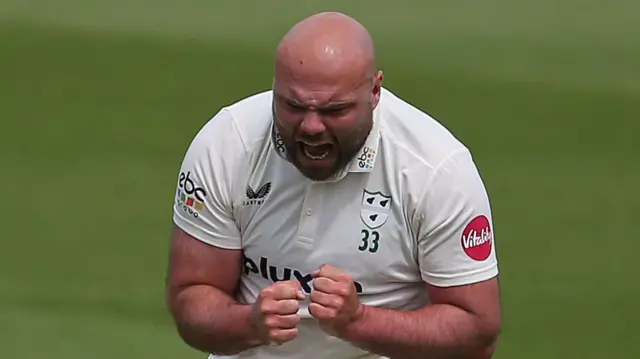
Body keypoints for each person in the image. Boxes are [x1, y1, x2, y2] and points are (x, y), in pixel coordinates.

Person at [166, 11, 502, 359]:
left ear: (375, 91)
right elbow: (192, 297)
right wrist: (249, 323)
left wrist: (358, 321)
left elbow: (476, 334)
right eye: (293, 105)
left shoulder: (435, 170)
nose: (311, 126)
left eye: (334, 110)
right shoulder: (227, 144)